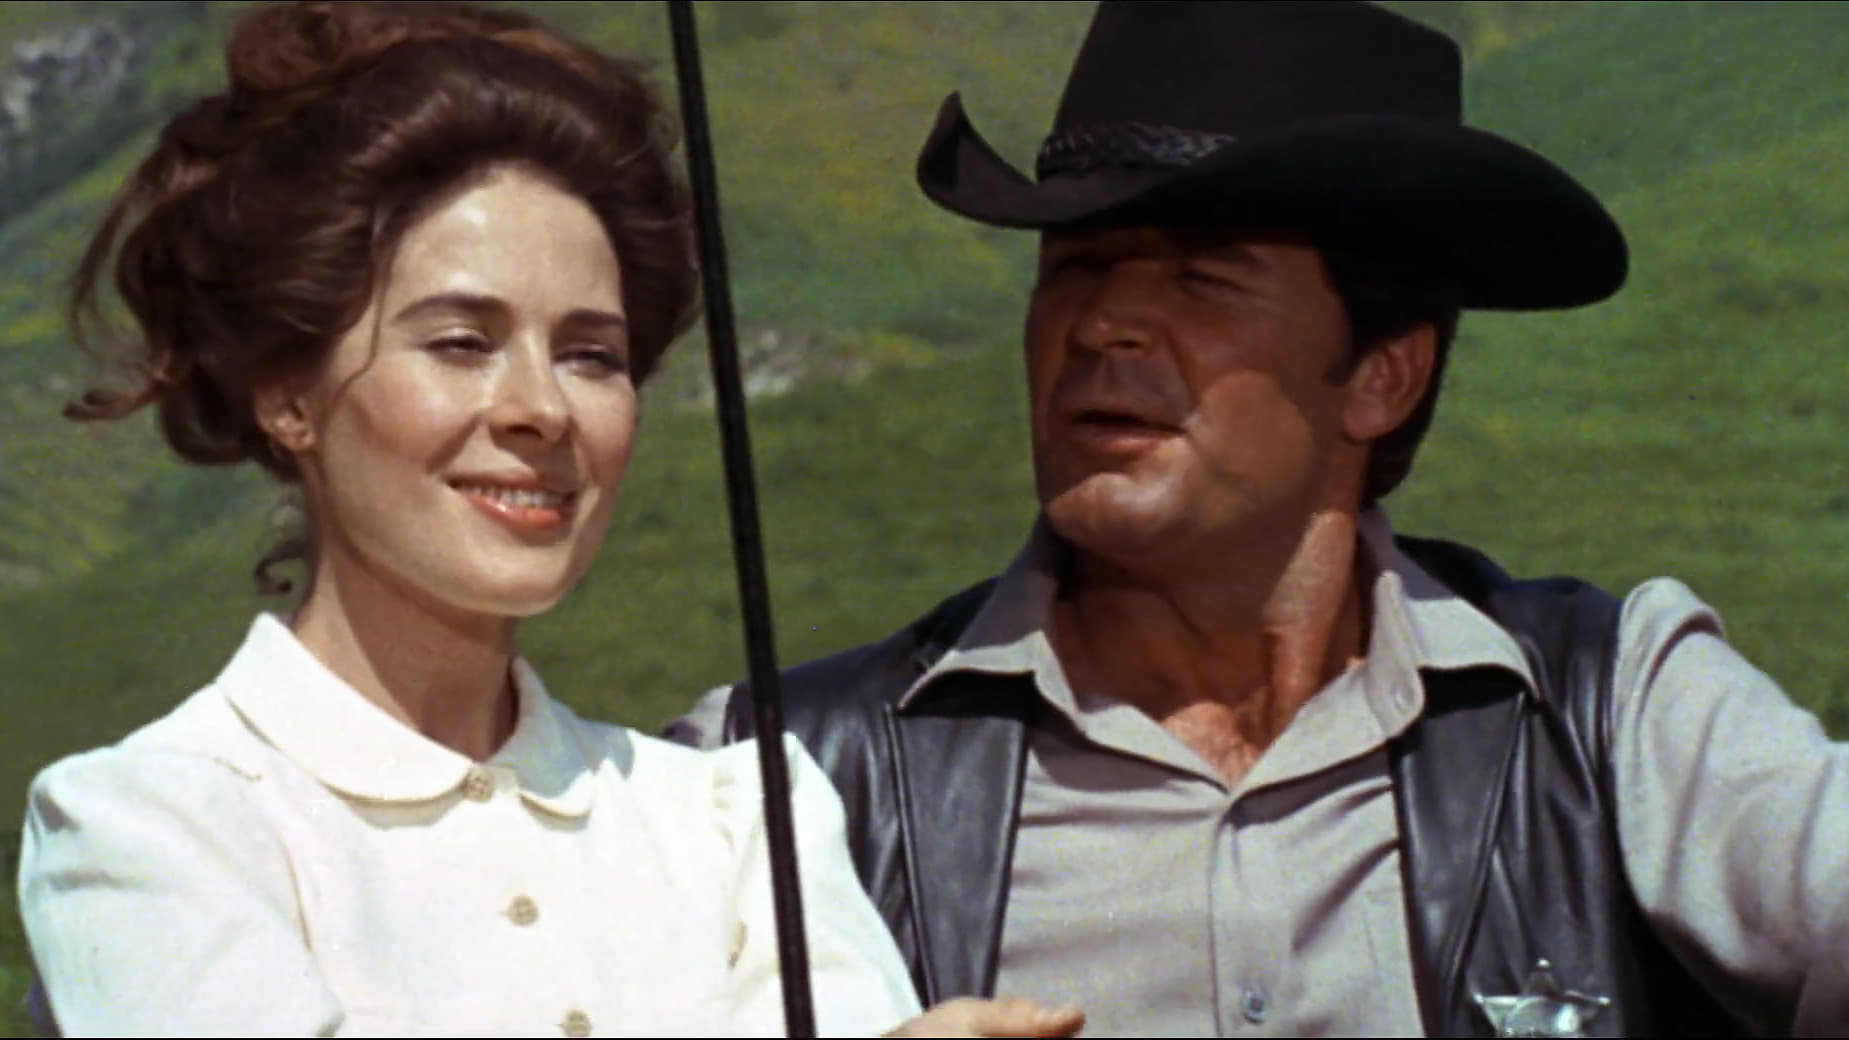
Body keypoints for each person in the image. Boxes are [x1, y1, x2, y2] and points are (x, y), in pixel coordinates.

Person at [673, 2, 1849, 1036]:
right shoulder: (765, 781)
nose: (1103, 325)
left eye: (1202, 276)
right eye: (1075, 268)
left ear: (1382, 375)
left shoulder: (1609, 711)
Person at [14, 3, 1087, 1037]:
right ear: (285, 393)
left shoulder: (739, 817)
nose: (541, 408)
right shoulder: (153, 821)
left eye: (590, 355)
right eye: (460, 342)